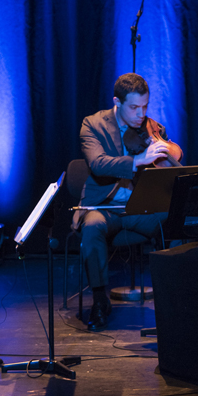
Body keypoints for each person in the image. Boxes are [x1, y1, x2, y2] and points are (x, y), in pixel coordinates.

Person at [77, 73, 182, 331]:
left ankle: (174, 298)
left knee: (176, 219)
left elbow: (172, 161)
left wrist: (164, 153)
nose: (140, 114)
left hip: (139, 208)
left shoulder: (150, 127)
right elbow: (98, 164)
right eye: (134, 107)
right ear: (117, 101)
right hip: (105, 207)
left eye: (145, 107)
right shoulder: (93, 124)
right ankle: (100, 300)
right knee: (91, 227)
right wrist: (138, 160)